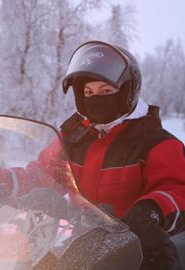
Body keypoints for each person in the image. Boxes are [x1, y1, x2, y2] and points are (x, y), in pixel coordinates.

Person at [60, 40, 185, 270]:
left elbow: (178, 190)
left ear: (126, 92)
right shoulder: (72, 138)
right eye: (88, 92)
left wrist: (153, 208)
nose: (96, 98)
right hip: (84, 247)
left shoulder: (157, 142)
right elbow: (41, 170)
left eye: (106, 91)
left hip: (143, 253)